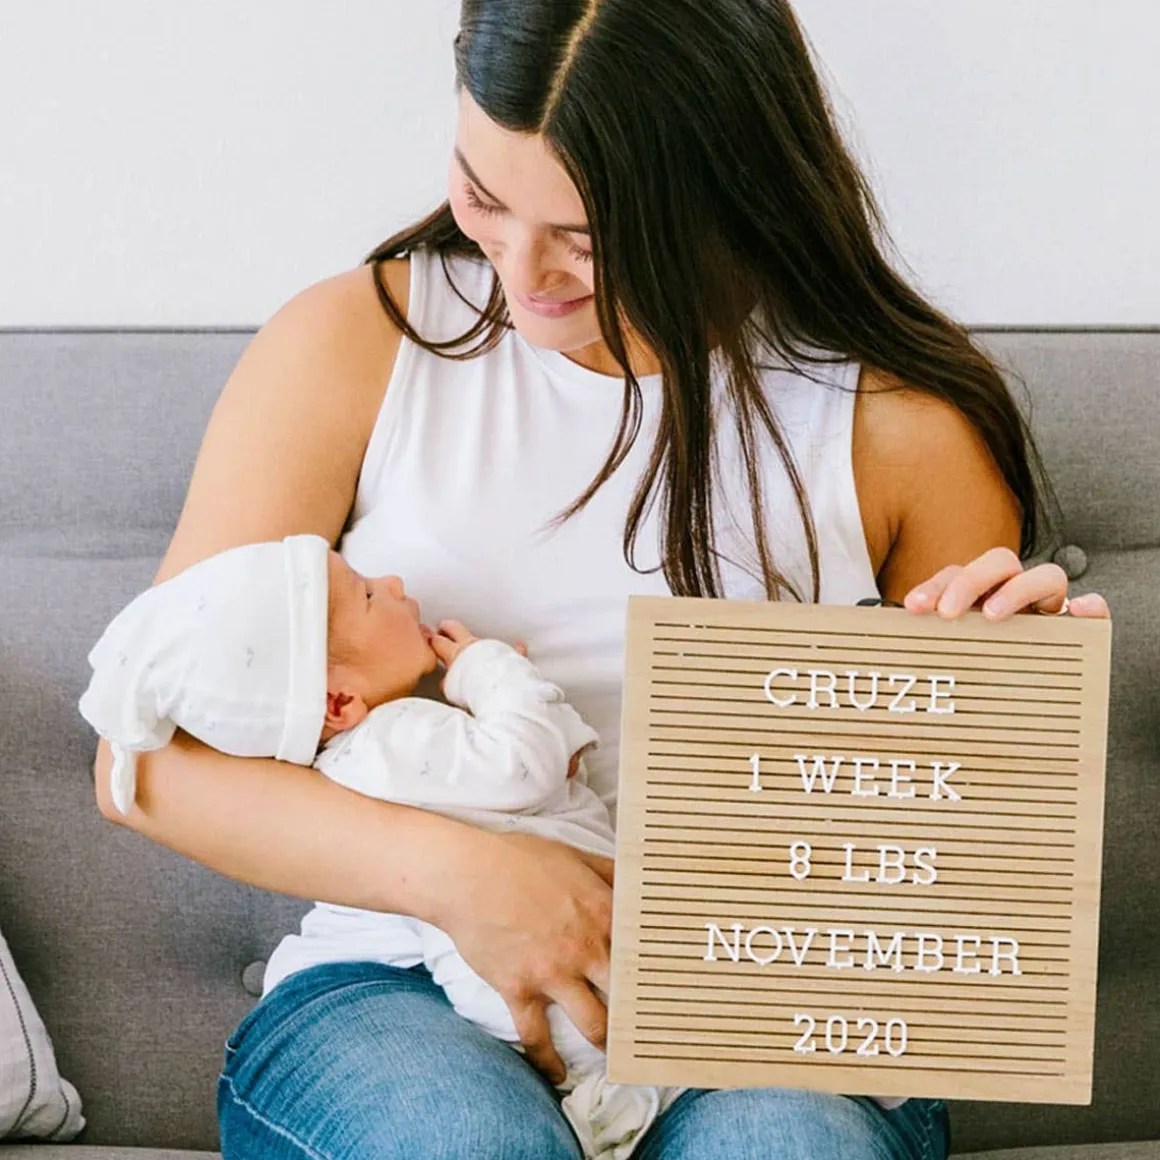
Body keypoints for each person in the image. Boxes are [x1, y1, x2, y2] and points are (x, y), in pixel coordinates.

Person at [92, 1, 1111, 1156]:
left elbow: (942, 891)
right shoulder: (352, 343)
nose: (518, 274)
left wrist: (1004, 712)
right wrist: (474, 876)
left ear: (728, 185)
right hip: (399, 984)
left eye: (582, 234)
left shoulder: (896, 426)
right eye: (483, 196)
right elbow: (143, 757)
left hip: (762, 1014)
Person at [79, 535, 674, 1157]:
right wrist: (492, 671)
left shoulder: (388, 754)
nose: (391, 583)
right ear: (339, 701)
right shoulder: (397, 738)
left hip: (558, 961)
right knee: (478, 1139)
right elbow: (525, 767)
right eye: (366, 594)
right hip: (530, 977)